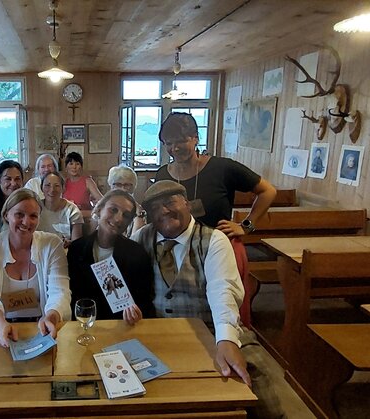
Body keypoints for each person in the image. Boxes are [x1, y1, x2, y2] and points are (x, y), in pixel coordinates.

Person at [132, 181, 284, 418]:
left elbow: (222, 290)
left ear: (187, 204)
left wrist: (226, 339)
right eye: (154, 208)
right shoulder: (142, 237)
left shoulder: (214, 240)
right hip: (160, 333)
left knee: (261, 388)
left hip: (213, 327)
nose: (163, 211)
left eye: (170, 202)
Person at [154, 112, 277, 326]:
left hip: (221, 247)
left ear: (195, 138)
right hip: (180, 251)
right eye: (168, 143)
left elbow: (268, 191)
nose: (174, 148)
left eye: (181, 141)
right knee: (187, 311)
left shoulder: (223, 168)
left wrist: (246, 226)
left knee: (225, 307)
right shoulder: (163, 173)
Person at [0, 188, 71, 347]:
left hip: (43, 328)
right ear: (6, 215)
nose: (26, 222)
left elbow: (60, 292)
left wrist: (51, 317)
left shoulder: (52, 244)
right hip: (0, 328)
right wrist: (1, 326)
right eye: (19, 214)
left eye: (33, 216)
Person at [67, 189, 154, 324]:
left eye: (126, 215)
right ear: (99, 209)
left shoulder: (137, 254)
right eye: (113, 210)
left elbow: (144, 298)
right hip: (83, 324)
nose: (118, 218)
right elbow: (69, 293)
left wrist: (137, 312)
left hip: (121, 326)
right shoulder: (76, 249)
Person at [37, 172, 83, 247]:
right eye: (47, 185)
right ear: (41, 188)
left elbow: (77, 244)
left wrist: (69, 243)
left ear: (63, 188)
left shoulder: (72, 210)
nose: (52, 190)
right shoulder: (35, 208)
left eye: (57, 186)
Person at [107, 165, 146, 236]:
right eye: (118, 184)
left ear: (134, 186)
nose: (123, 189)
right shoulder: (104, 207)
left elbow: (135, 239)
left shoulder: (139, 211)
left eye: (127, 185)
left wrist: (138, 215)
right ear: (111, 186)